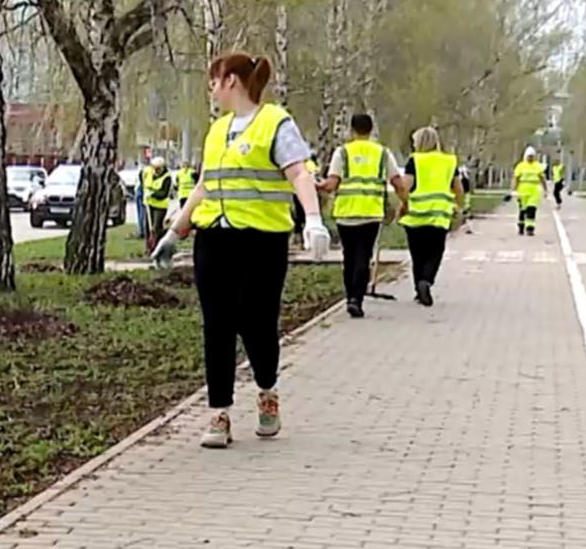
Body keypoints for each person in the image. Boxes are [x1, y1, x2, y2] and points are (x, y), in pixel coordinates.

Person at [161, 52, 329, 449]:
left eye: (214, 81)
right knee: (216, 324)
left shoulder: (275, 123)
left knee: (256, 322)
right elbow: (204, 185)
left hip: (262, 241)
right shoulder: (216, 131)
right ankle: (218, 414)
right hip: (215, 239)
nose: (211, 89)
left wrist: (314, 219)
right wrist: (175, 232)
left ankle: (267, 390)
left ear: (231, 81)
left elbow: (299, 173)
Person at [320, 113, 411, 318]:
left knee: (349, 257)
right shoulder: (382, 153)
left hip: (345, 213)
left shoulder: (342, 153)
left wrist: (318, 186)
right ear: (371, 130)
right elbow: (398, 183)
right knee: (363, 256)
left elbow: (332, 183)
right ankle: (356, 299)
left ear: (352, 130)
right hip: (371, 213)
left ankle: (350, 295)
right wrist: (406, 202)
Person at [400, 127, 463, 307]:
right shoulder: (449, 161)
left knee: (417, 253)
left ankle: (418, 288)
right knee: (436, 251)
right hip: (439, 215)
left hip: (415, 215)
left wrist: (403, 204)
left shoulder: (415, 160)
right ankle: (426, 281)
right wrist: (460, 207)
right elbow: (458, 187)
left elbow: (406, 186)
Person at [140, 156, 173, 250]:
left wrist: (152, 193)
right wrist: (144, 189)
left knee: (155, 227)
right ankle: (149, 248)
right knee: (147, 227)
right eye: (154, 168)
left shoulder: (167, 177)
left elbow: (164, 193)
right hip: (148, 203)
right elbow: (141, 177)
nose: (156, 170)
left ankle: (157, 246)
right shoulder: (147, 171)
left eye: (158, 169)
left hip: (160, 205)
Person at [513, 147, 546, 236]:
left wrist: (545, 189)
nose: (530, 158)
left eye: (532, 156)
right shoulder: (521, 166)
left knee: (531, 209)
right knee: (523, 210)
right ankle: (521, 226)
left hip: (534, 189)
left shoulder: (537, 166)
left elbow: (542, 178)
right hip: (522, 189)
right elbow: (516, 178)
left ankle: (530, 228)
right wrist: (514, 190)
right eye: (529, 156)